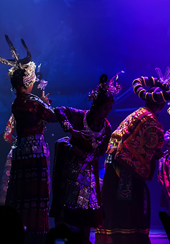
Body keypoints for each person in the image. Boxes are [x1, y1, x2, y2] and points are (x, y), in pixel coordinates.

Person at [96, 70, 170, 244]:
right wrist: (157, 154)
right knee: (131, 203)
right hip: (126, 167)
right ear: (162, 105)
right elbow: (150, 150)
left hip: (112, 162)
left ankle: (111, 238)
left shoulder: (135, 114)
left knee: (112, 201)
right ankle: (128, 239)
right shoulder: (153, 123)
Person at [0, 36, 58, 244]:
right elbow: (52, 117)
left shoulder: (17, 102)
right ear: (26, 82)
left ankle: (18, 232)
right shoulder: (31, 101)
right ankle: (35, 235)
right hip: (34, 150)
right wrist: (46, 104)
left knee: (20, 194)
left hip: (21, 149)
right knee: (36, 194)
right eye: (31, 81)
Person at [50, 73, 120, 242]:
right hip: (70, 169)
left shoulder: (106, 126)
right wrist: (71, 131)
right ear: (96, 106)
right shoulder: (81, 116)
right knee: (68, 207)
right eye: (105, 108)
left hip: (88, 170)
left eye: (110, 108)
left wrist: (87, 156)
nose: (108, 112)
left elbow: (102, 149)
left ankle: (84, 239)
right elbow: (59, 110)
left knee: (88, 208)